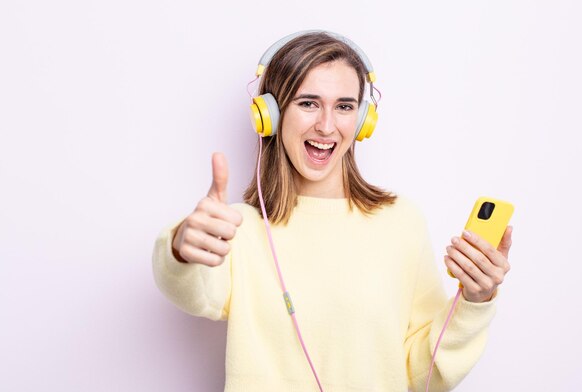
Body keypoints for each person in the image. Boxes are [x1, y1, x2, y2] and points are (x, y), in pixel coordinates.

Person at [152, 30, 513, 392]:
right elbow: (194, 293)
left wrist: (474, 302)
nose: (326, 126)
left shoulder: (401, 222)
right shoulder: (237, 226)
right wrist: (180, 248)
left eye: (343, 106)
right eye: (308, 103)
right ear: (270, 115)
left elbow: (424, 373)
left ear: (361, 119)